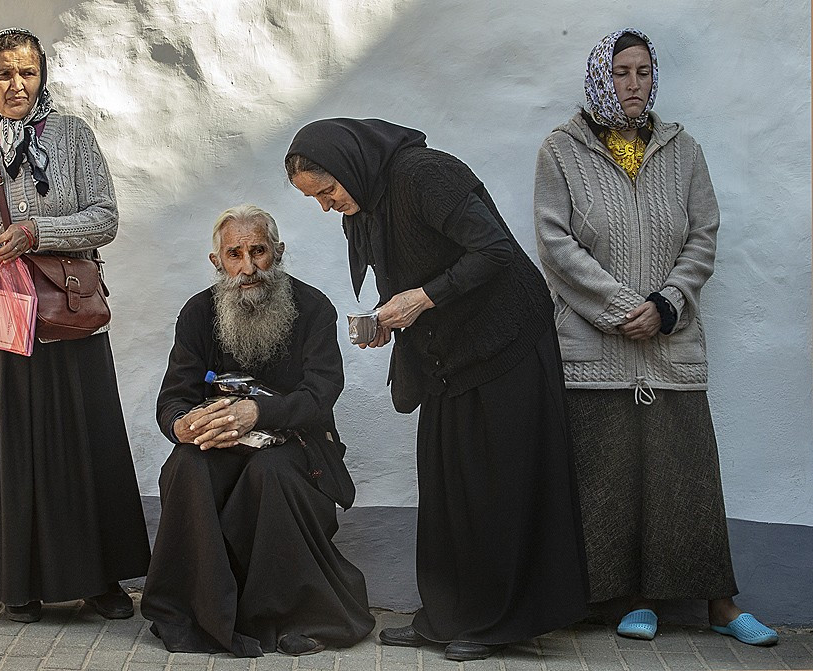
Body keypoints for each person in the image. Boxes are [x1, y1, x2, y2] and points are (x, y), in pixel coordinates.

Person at [285, 119, 589, 661]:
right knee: (448, 488)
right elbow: (403, 269)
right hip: (450, 357)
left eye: (328, 192)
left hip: (506, 346)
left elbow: (496, 251)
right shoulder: (369, 200)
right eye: (317, 199)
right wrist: (389, 319)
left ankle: (497, 623)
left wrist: (422, 298)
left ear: (351, 166)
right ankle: (447, 617)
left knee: (496, 489)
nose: (327, 206)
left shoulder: (425, 175)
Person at [533, 28, 778, 646]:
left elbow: (703, 235)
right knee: (613, 479)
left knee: (688, 474)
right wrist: (620, 307)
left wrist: (666, 306)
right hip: (597, 348)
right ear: (599, 78)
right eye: (621, 72)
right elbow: (555, 245)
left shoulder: (682, 150)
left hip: (670, 344)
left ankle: (721, 605)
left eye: (643, 72)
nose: (634, 84)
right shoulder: (561, 151)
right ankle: (632, 599)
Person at [0, 27, 150, 623]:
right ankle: (14, 585)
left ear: (42, 76)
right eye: (3, 73)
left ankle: (97, 581)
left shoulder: (73, 136)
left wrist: (37, 234)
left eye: (26, 72)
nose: (15, 85)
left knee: (78, 450)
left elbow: (105, 216)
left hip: (64, 323)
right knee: (7, 456)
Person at [141, 205, 374, 657]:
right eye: (235, 255)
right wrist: (183, 425)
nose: (248, 268)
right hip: (222, 445)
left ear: (278, 253)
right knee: (186, 466)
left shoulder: (312, 307)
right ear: (217, 263)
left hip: (296, 443)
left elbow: (321, 393)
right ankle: (198, 612)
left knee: (269, 473)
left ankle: (290, 615)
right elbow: (173, 396)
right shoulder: (198, 313)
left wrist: (258, 414)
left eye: (258, 251)